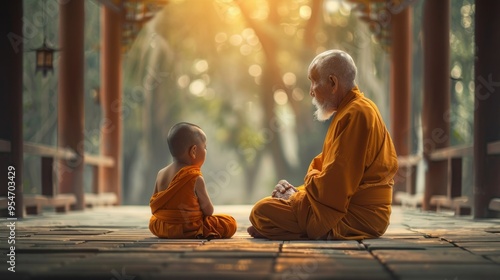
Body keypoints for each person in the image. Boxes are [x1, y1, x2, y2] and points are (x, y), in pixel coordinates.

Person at [247, 50, 398, 240]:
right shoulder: (351, 110)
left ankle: (290, 228)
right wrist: (299, 192)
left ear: (333, 83)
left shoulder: (357, 113)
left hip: (358, 216)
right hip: (347, 205)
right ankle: (286, 227)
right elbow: (330, 171)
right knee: (270, 207)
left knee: (262, 211)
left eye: (313, 81)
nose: (311, 91)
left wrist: (295, 198)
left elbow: (335, 185)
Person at [149, 122, 237, 239]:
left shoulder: (161, 173)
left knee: (154, 219)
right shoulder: (194, 177)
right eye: (205, 147)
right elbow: (208, 210)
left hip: (161, 227)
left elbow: (154, 206)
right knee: (229, 222)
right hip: (187, 227)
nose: (206, 151)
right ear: (194, 151)